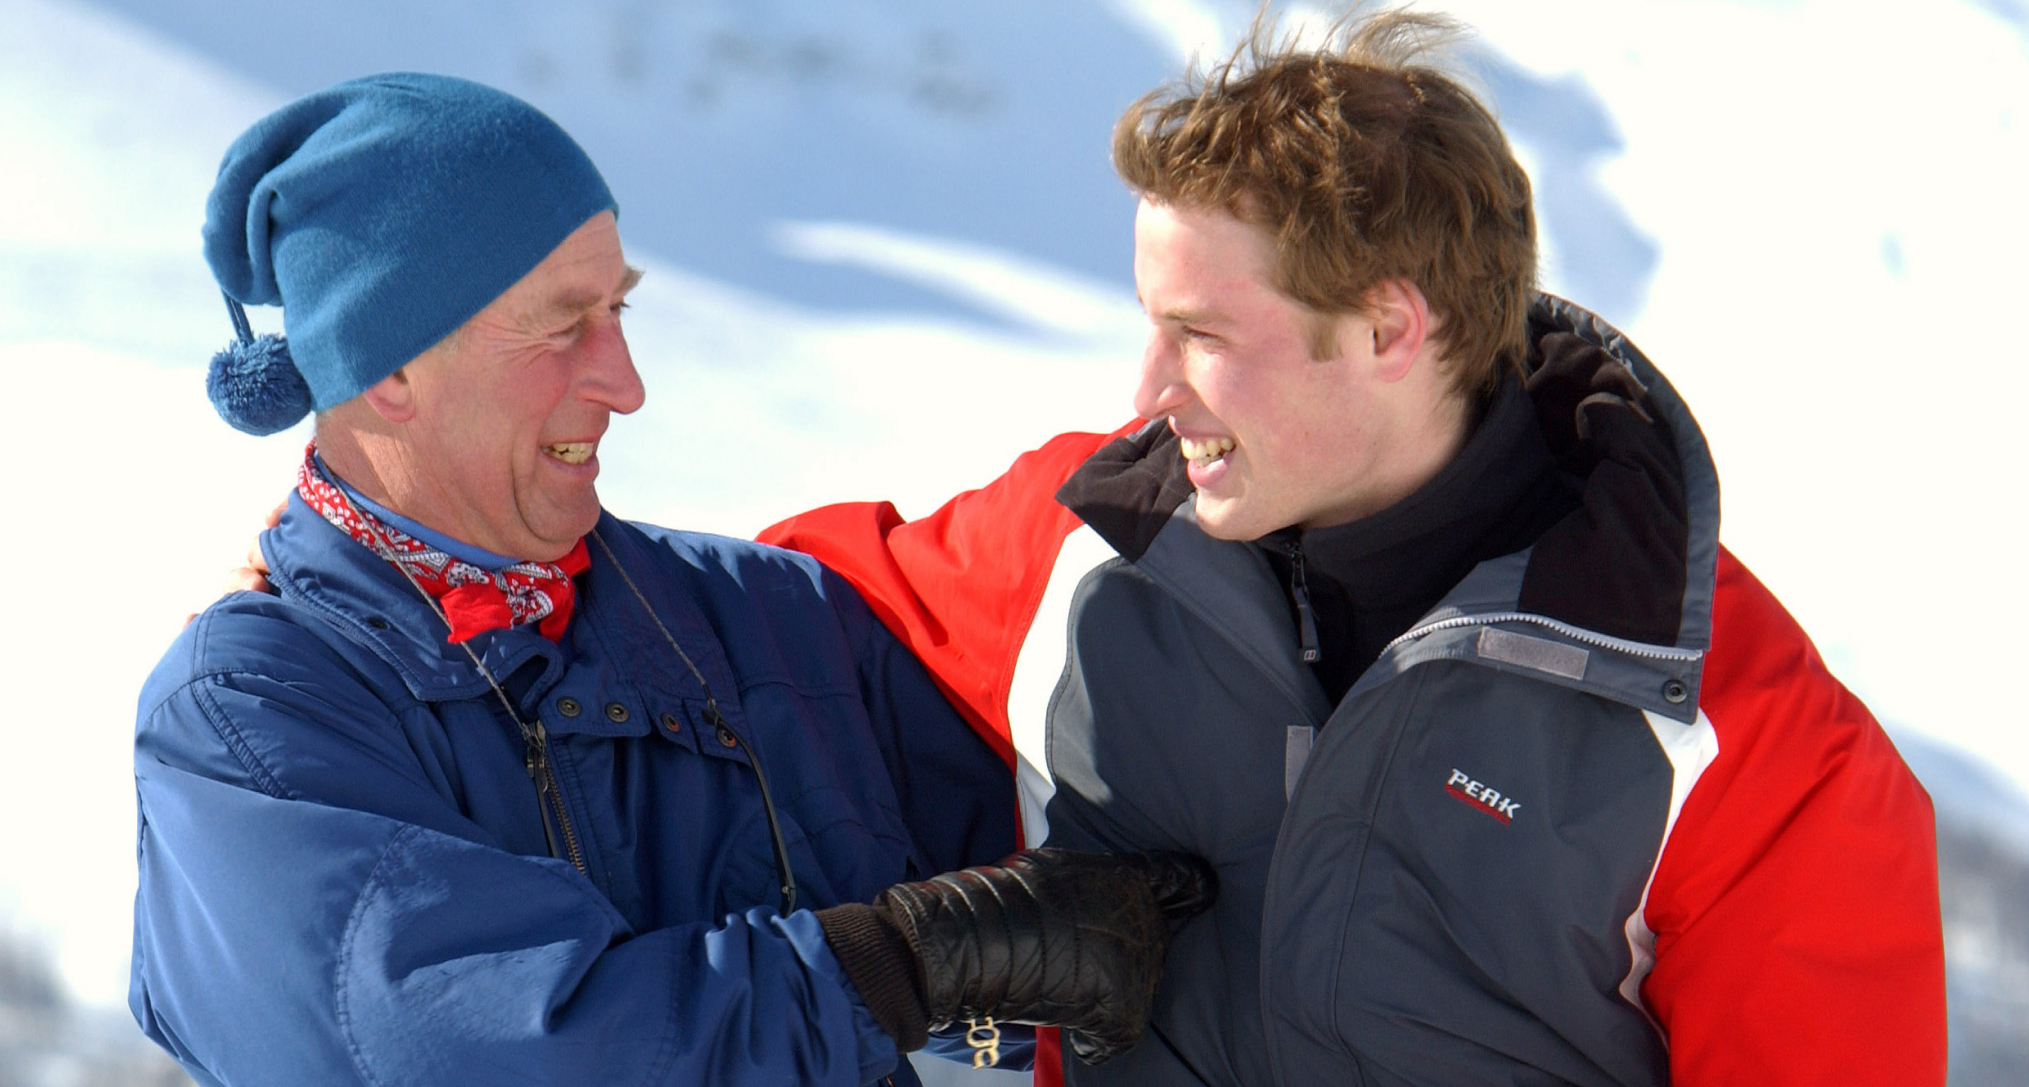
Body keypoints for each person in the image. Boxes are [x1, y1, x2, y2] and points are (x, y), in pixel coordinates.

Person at [761, 10, 1947, 1086]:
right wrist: (909, 954)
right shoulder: (1078, 551)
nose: (1148, 389)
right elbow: (728, 643)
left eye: (1200, 333)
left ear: (1388, 326)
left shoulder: (1742, 739)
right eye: (1147, 324)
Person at [132, 73, 1212, 1087]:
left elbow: (1004, 605)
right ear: (390, 371)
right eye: (562, 326)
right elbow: (482, 1049)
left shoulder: (761, 620)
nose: (627, 383)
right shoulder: (243, 721)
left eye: (621, 312)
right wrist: (897, 965)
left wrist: (1232, 444)